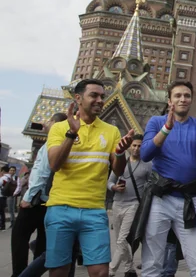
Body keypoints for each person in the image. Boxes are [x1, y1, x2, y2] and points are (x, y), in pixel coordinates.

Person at [45, 78, 134, 277]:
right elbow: (54, 164)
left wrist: (120, 153)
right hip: (61, 207)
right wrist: (71, 134)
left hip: (94, 210)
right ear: (78, 98)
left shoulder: (111, 131)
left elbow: (118, 171)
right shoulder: (59, 128)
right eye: (94, 95)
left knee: (100, 271)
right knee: (59, 271)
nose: (100, 100)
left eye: (102, 96)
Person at [138, 80, 196, 277]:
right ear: (170, 101)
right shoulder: (156, 122)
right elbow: (146, 154)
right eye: (178, 96)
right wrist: (166, 129)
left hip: (189, 201)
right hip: (161, 198)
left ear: (191, 100)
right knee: (153, 262)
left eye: (186, 96)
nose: (183, 99)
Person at [10, 113, 67, 277]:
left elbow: (42, 173)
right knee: (43, 241)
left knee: (19, 236)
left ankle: (20, 273)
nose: (46, 124)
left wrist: (28, 197)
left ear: (55, 124)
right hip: (52, 201)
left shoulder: (51, 143)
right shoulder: (64, 144)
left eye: (49, 121)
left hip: (37, 200)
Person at [107, 134, 152, 277]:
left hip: (133, 205)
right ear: (129, 147)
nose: (136, 149)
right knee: (119, 240)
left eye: (139, 146)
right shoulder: (120, 163)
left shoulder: (147, 166)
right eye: (134, 145)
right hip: (117, 204)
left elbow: (151, 185)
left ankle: (111, 270)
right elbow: (109, 181)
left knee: (123, 239)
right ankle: (129, 268)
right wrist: (114, 187)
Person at [0, 165, 12, 231]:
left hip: (0, 196)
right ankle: (3, 226)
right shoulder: (11, 178)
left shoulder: (3, 178)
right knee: (2, 212)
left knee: (1, 212)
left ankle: (2, 226)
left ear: (3, 171)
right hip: (5, 196)